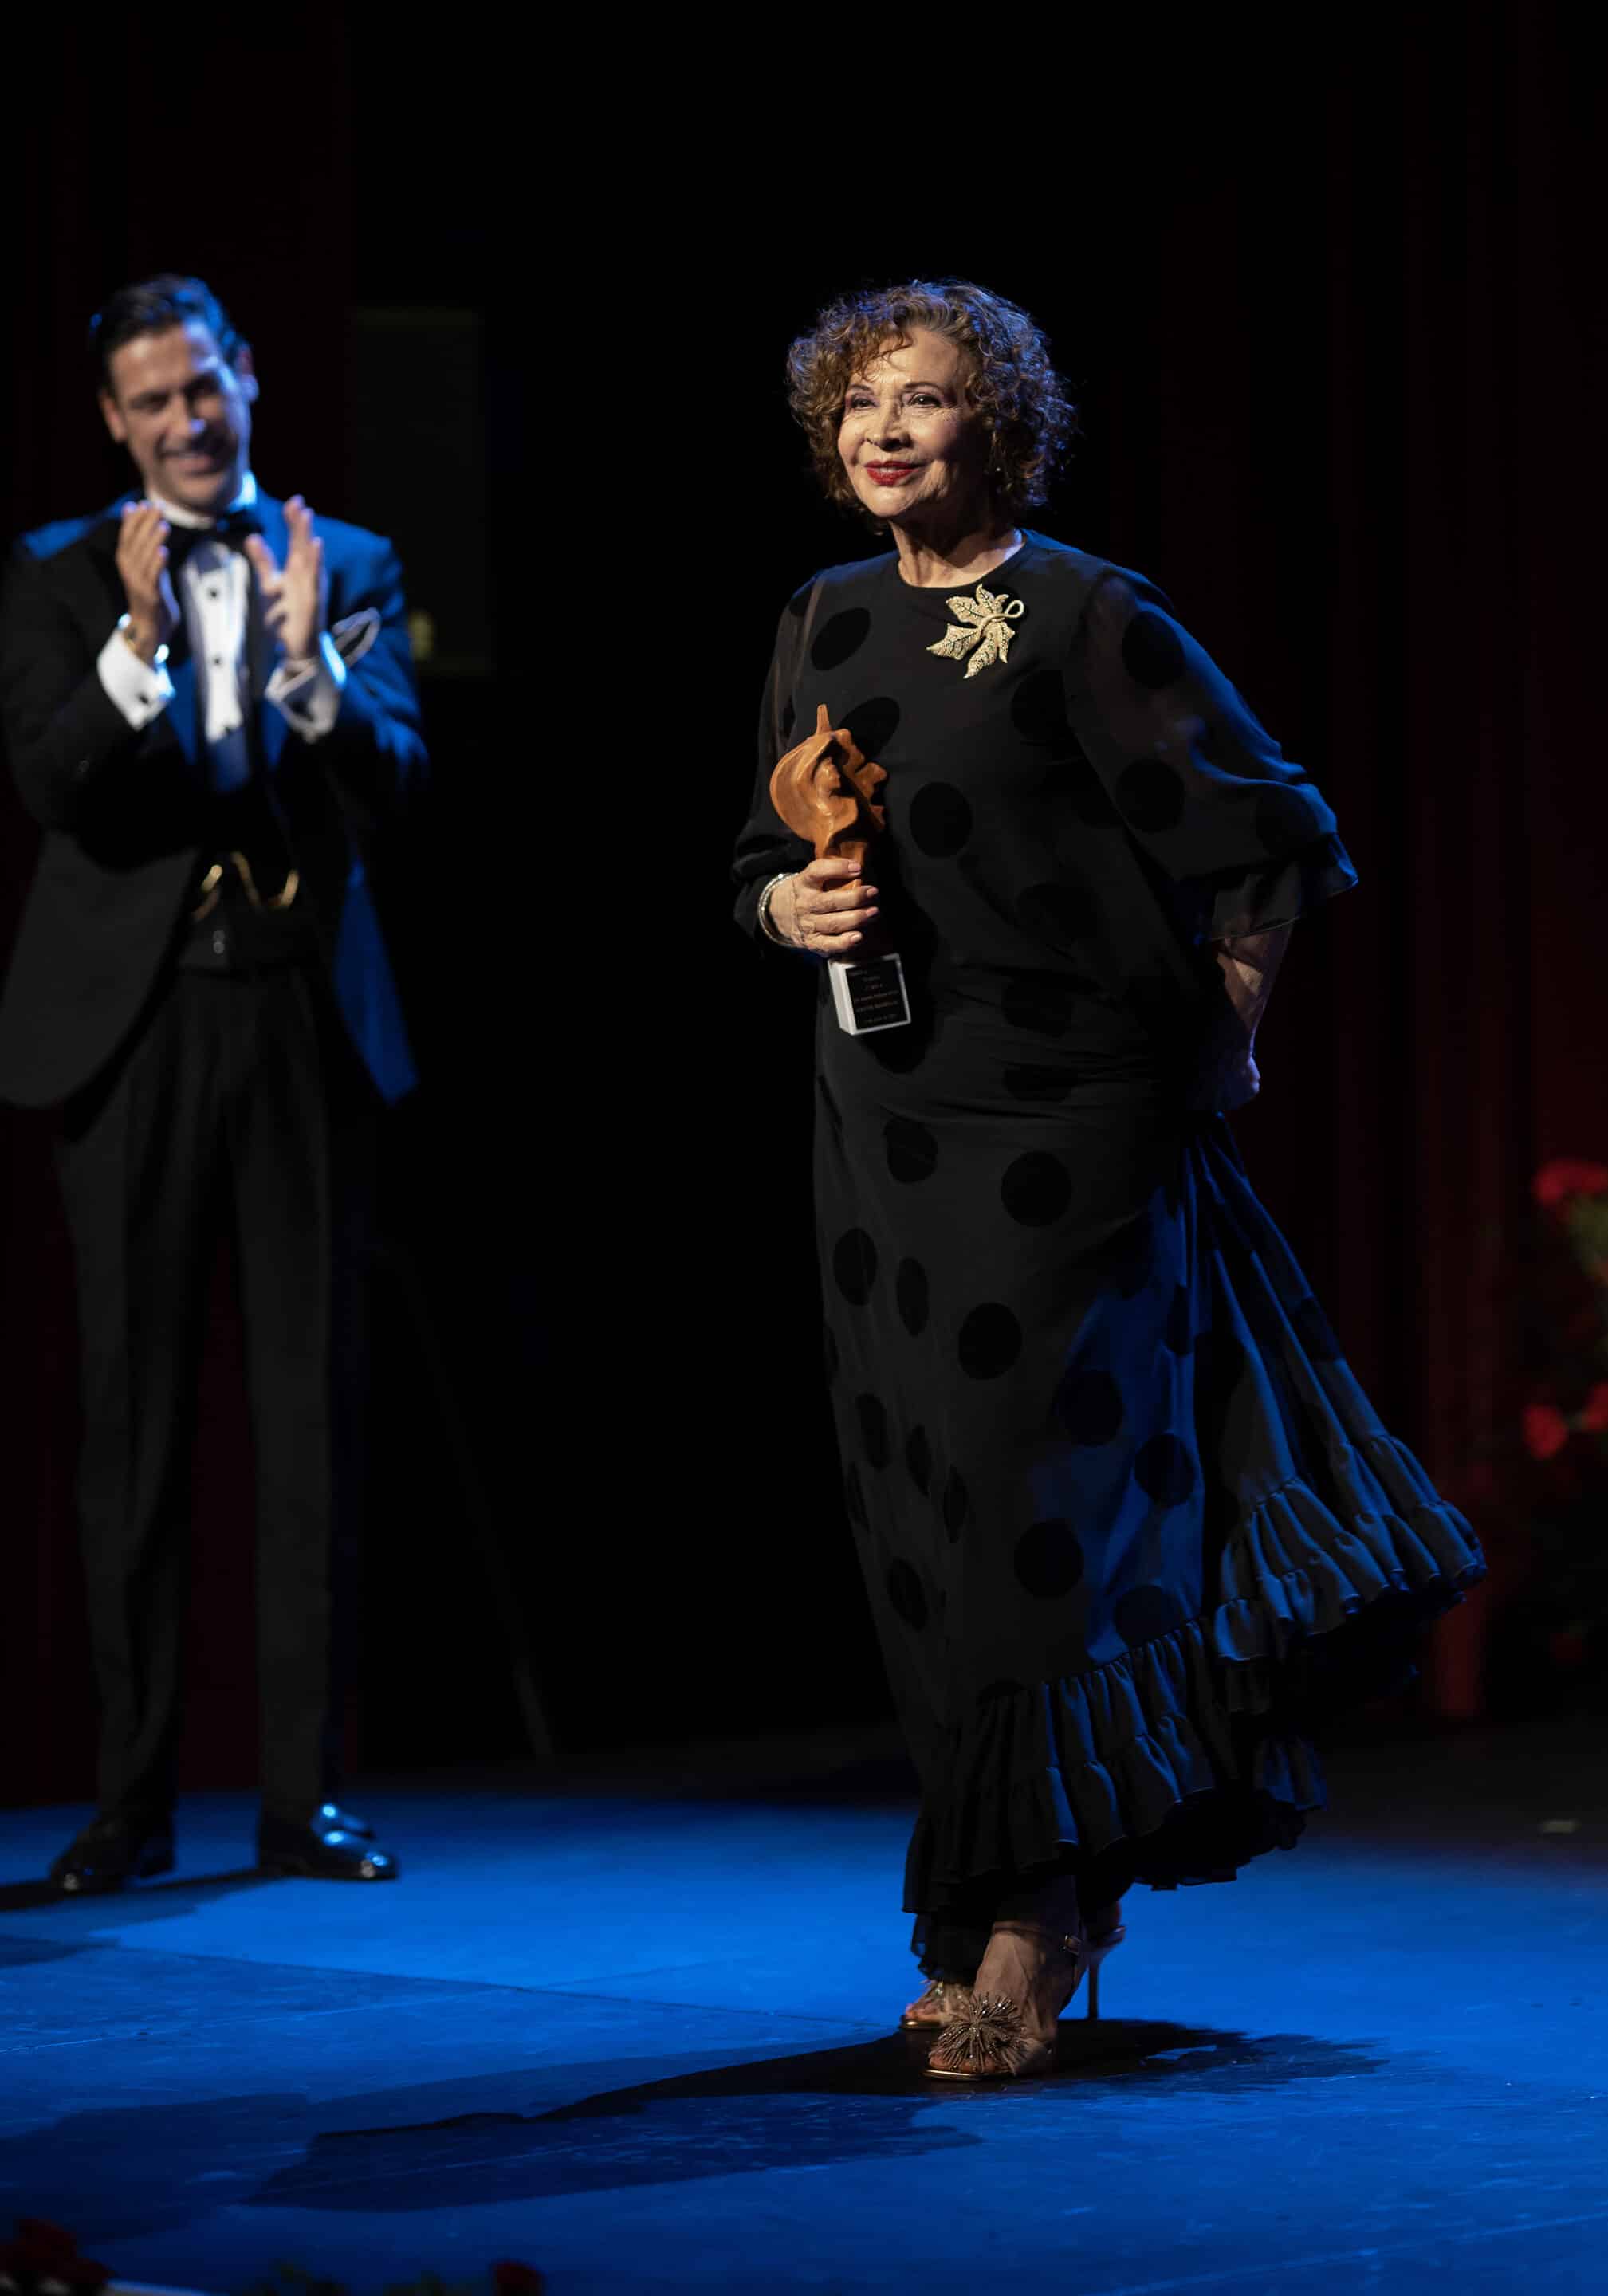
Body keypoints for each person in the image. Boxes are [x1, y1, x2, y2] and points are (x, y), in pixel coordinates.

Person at [731, 280, 1484, 2082]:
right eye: (857, 407)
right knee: (924, 1532)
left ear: (997, 423)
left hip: (1067, 1132)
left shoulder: (1080, 612)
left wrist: (1228, 1027)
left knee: (1032, 1521)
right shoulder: (821, 616)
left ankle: (1036, 1921)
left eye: (920, 400)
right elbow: (757, 849)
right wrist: (784, 903)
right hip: (885, 1137)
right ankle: (985, 1888)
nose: (884, 431)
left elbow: (1271, 836)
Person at [0, 274, 426, 1891]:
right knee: (134, 1423)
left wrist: (313, 668)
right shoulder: (52, 574)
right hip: (136, 1023)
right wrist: (134, 645)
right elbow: (51, 783)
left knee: (309, 1418)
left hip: (303, 1021)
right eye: (151, 401)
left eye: (204, 387)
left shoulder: (354, 562)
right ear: (114, 421)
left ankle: (302, 1797)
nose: (186, 421)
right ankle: (128, 1800)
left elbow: (395, 784)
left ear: (246, 379)